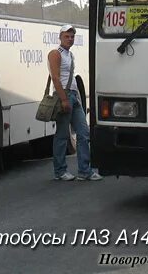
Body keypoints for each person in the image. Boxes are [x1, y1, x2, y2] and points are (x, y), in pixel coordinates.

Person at [48, 24, 102, 181]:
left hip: (74, 96)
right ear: (60, 37)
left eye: (72, 37)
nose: (70, 39)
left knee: (84, 133)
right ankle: (60, 171)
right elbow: (55, 78)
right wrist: (64, 99)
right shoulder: (55, 54)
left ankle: (85, 171)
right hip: (63, 96)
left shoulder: (70, 55)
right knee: (62, 135)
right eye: (67, 36)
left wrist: (77, 97)